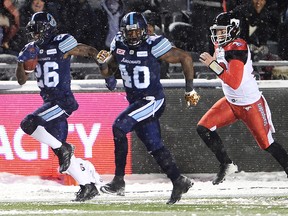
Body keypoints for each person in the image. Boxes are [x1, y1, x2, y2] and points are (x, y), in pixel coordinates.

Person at [96, 12, 200, 205]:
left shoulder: (154, 44)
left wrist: (190, 89)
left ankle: (119, 181)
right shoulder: (118, 43)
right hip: (137, 102)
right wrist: (103, 68)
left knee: (119, 127)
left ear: (144, 31)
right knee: (154, 144)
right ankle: (178, 180)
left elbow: (185, 57)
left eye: (137, 32)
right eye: (130, 32)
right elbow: (111, 77)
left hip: (152, 100)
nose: (133, 36)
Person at [15, 12, 101, 202]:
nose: (35, 35)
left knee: (28, 123)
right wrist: (22, 62)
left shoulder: (62, 42)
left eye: (39, 31)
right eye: (33, 31)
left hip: (61, 101)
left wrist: (108, 72)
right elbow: (21, 80)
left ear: (48, 29)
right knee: (59, 151)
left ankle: (65, 149)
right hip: (49, 102)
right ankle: (88, 186)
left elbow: (89, 51)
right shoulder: (31, 48)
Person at [198, 12, 288, 185]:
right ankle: (226, 163)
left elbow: (234, 82)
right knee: (204, 128)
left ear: (233, 30)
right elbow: (222, 69)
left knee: (268, 145)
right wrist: (214, 62)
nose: (218, 35)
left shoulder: (237, 47)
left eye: (222, 31)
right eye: (217, 31)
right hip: (232, 103)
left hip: (250, 103)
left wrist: (212, 64)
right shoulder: (221, 45)